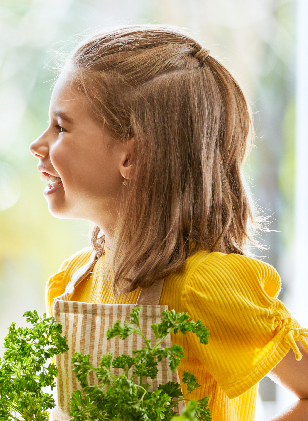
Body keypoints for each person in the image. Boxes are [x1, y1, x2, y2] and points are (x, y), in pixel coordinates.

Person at [29, 25, 308, 420]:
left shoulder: (205, 285)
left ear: (132, 154)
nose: (38, 145)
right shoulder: (75, 280)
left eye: (61, 127)